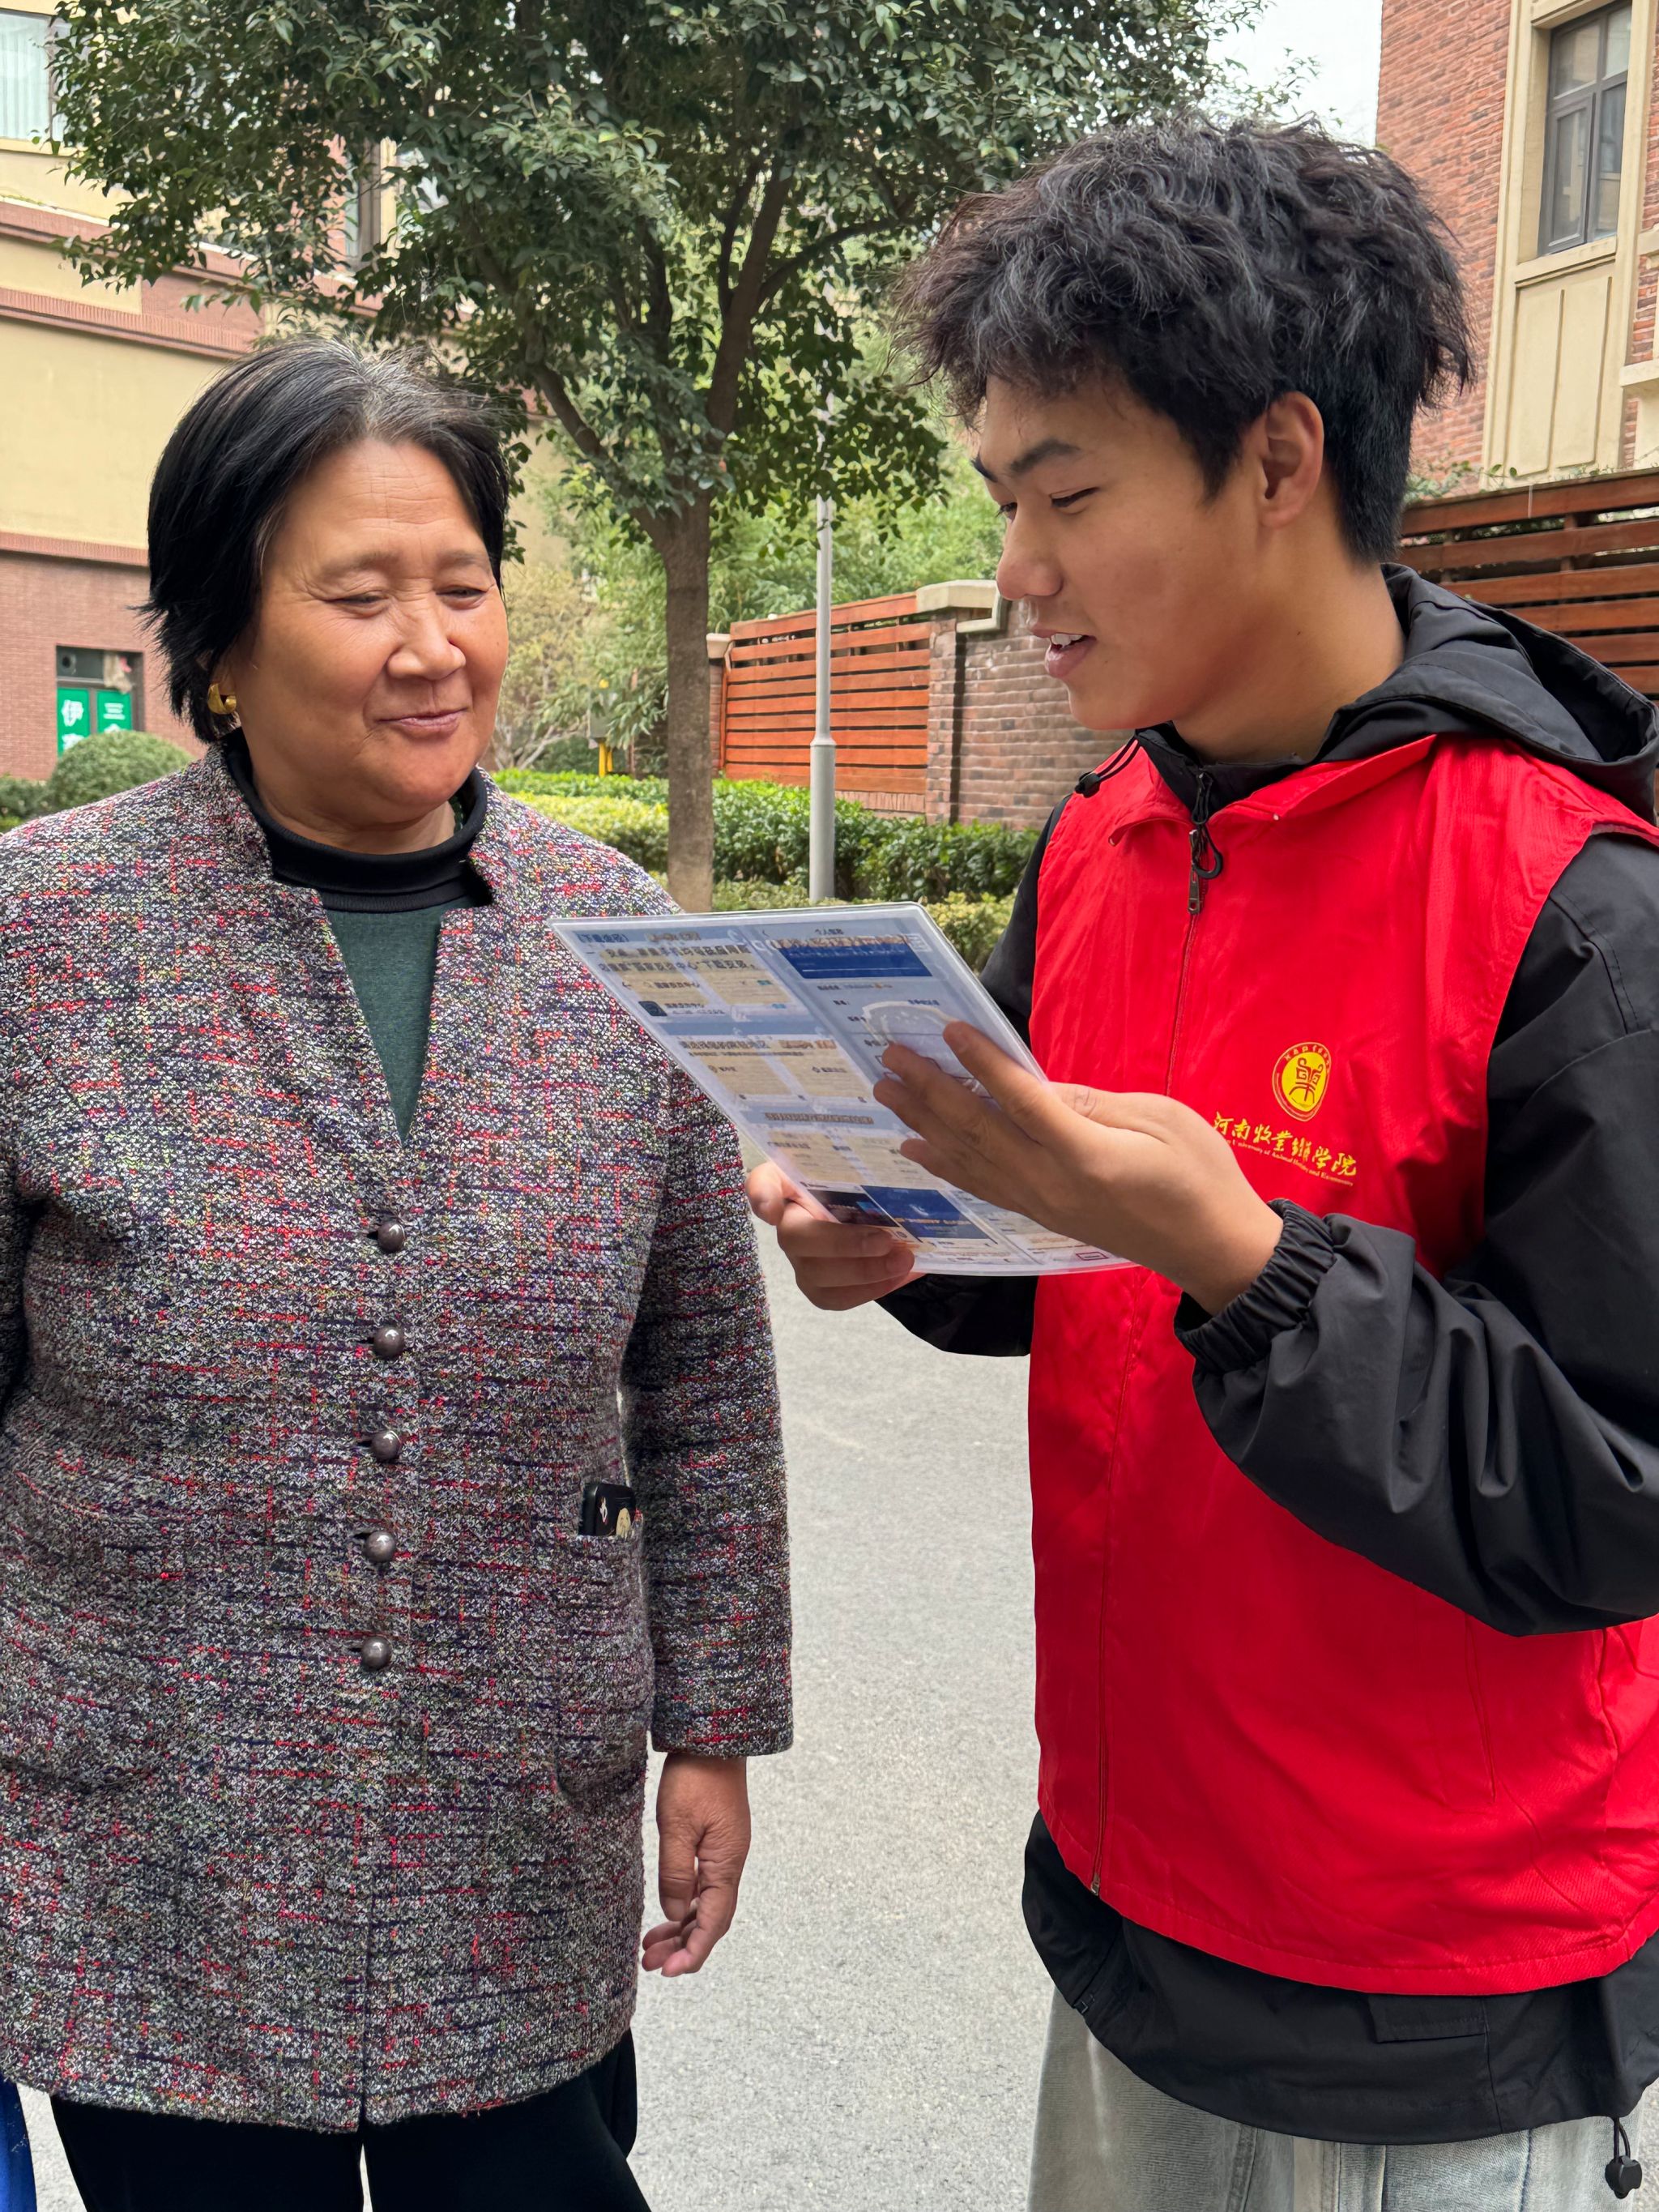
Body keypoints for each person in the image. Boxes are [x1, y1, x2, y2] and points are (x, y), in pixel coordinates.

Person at [752, 117, 1659, 2210]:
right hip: (1132, 1923)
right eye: (1004, 501)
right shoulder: (1102, 843)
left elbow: (1617, 1490)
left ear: (1277, 461)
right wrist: (906, 1242)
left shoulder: (1573, 906)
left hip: (1445, 2015)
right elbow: (1060, 1248)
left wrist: (1251, 1262)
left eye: (1066, 494)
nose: (1017, 570)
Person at [0, 339, 791, 2211]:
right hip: (151, 1835)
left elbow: (700, 1381)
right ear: (220, 639)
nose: (431, 645)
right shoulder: (43, 935)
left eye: (463, 583)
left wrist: (715, 1725)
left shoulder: (623, 941)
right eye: (360, 596)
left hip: (510, 1826)